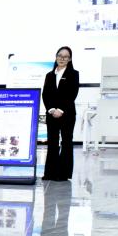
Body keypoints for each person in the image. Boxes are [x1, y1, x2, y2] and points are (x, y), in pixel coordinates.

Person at [41, 46, 79, 181]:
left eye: (65, 56)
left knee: (66, 142)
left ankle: (63, 174)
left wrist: (61, 110)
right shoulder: (49, 75)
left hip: (67, 114)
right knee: (52, 142)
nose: (62, 58)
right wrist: (51, 109)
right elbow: (45, 94)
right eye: (60, 55)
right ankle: (50, 173)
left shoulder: (74, 74)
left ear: (70, 59)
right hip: (51, 114)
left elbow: (72, 94)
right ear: (56, 57)